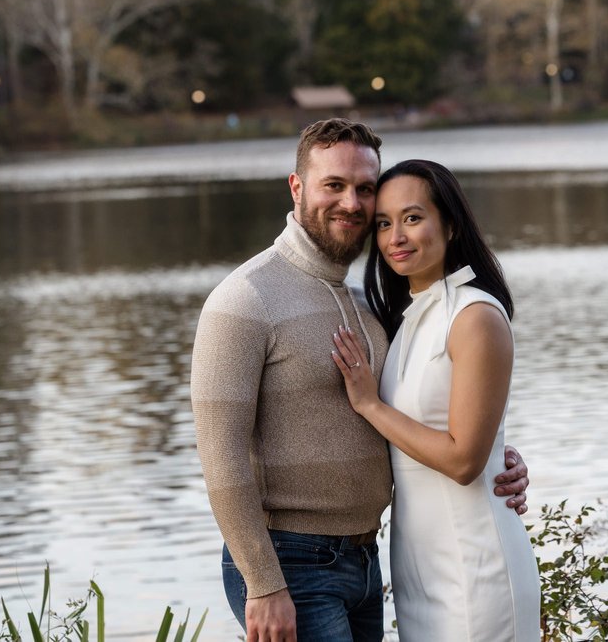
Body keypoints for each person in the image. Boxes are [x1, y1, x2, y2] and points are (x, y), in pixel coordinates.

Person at [190, 119, 531, 642]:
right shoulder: (244, 300)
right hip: (292, 565)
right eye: (334, 185)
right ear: (297, 187)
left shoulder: (370, 305)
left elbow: (437, 406)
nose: (351, 203)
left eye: (364, 189)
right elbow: (220, 453)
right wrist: (262, 584)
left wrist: (496, 460)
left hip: (370, 562)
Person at [330, 159, 541, 641]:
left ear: (449, 223)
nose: (395, 237)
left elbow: (465, 461)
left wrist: (370, 405)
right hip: (417, 568)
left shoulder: (475, 316)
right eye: (383, 224)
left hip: (476, 566)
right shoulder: (405, 321)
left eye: (412, 218)